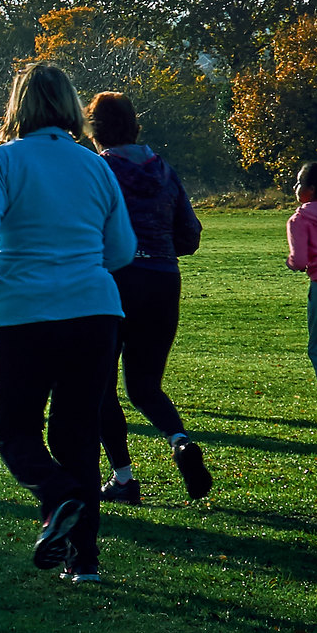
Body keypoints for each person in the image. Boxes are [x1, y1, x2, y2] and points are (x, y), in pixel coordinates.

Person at [0, 61, 135, 584]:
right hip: (95, 311)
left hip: (26, 312)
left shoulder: (1, 160)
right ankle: (84, 560)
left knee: (14, 430)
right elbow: (122, 248)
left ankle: (59, 497)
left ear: (19, 107)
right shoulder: (95, 166)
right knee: (76, 434)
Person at [88, 93, 212, 502]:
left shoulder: (99, 169)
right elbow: (190, 234)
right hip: (162, 279)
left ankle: (123, 479)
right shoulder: (163, 170)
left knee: (101, 385)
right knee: (144, 386)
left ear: (94, 130)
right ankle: (179, 440)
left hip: (113, 280)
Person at [287, 162, 317, 427]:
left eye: (299, 182)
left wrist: (290, 262)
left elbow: (299, 261)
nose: (296, 187)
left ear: (311, 189)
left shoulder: (301, 219)